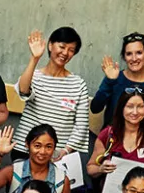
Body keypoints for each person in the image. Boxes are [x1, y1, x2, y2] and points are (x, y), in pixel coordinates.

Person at [11, 28, 89, 160]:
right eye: (62, 46)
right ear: (50, 45)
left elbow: (81, 126)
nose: (65, 53)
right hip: (25, 150)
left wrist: (66, 150)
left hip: (56, 155)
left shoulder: (78, 84)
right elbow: (23, 90)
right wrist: (35, 58)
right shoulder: (34, 76)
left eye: (71, 50)